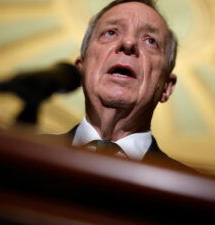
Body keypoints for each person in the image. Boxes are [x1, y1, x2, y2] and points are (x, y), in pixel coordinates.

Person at [43, 0, 191, 170]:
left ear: (166, 87)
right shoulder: (26, 154)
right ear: (81, 70)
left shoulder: (194, 189)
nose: (128, 43)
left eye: (150, 41)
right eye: (111, 32)